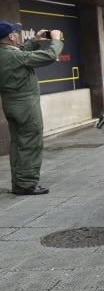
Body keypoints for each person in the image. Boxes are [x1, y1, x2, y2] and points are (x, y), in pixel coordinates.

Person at [0, 22, 61, 195]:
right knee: (30, 143)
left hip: (11, 104)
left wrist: (34, 41)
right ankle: (26, 185)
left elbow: (20, 54)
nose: (18, 35)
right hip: (25, 106)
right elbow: (49, 56)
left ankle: (19, 182)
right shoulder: (14, 56)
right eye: (15, 32)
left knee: (18, 143)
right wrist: (55, 40)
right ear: (11, 37)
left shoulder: (6, 53)